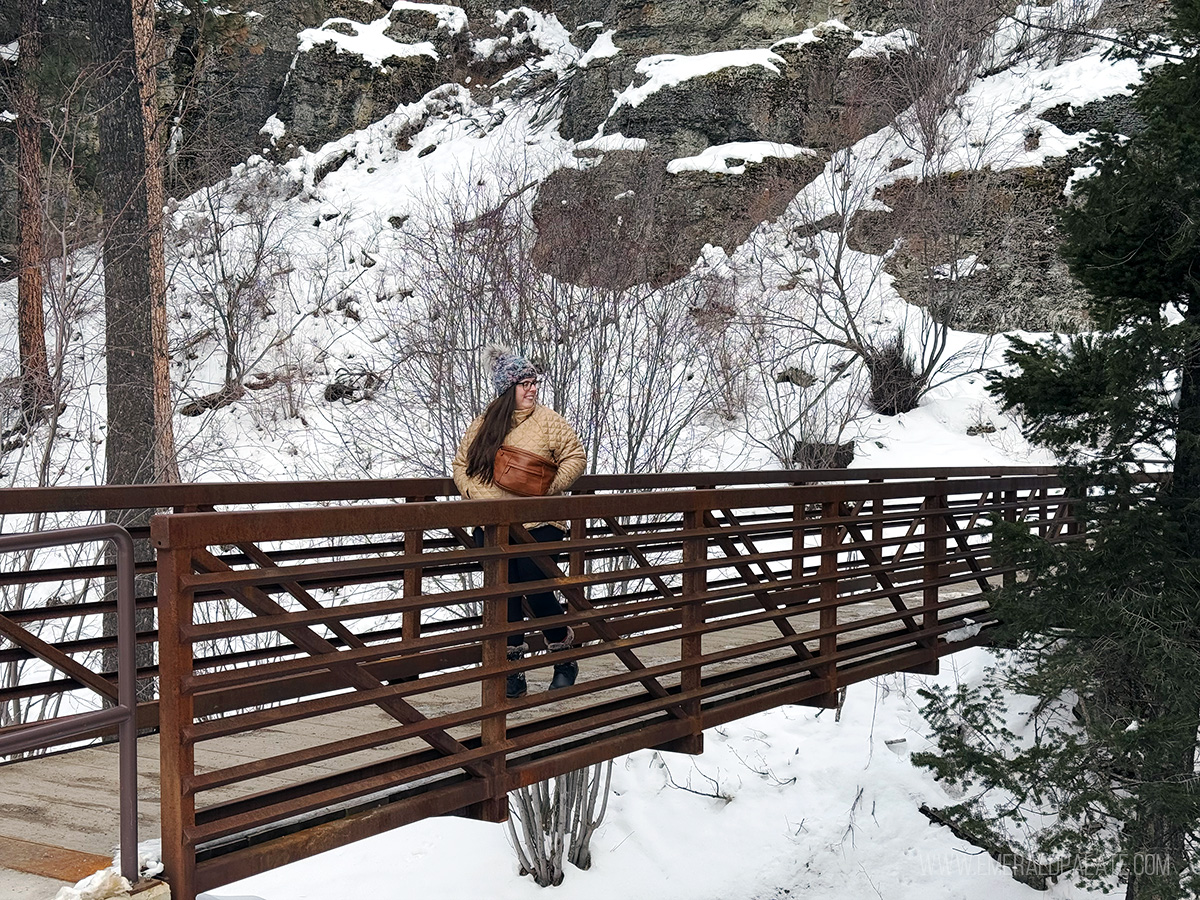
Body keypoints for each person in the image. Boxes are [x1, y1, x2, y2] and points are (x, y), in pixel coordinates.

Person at [452, 346, 586, 699]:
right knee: (503, 592)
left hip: (539, 522)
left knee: (535, 583)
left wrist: (549, 489)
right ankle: (512, 671)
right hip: (493, 523)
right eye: (524, 383)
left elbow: (575, 457)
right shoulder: (485, 424)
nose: (532, 389)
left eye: (534, 382)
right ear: (506, 388)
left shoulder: (548, 421)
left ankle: (563, 655)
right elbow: (461, 466)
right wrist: (474, 496)